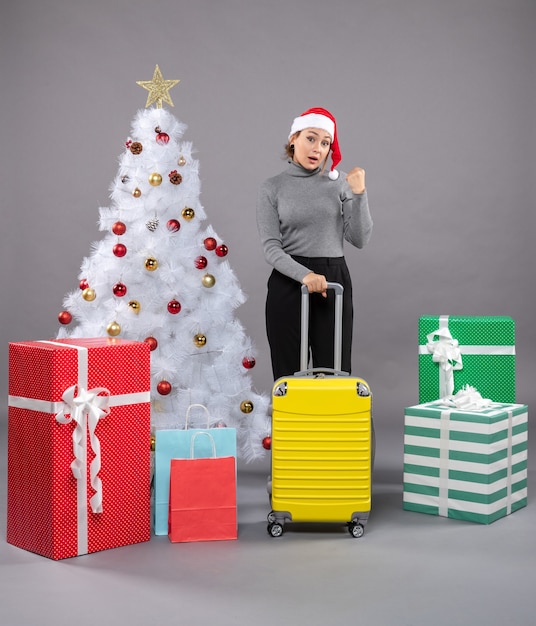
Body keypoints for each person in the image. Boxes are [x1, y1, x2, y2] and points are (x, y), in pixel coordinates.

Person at [256, 107, 373, 380]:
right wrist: (305, 275)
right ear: (293, 138)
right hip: (289, 280)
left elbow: (360, 239)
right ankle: (294, 423)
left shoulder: (341, 182)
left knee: (335, 372)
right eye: (310, 138)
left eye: (325, 143)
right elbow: (271, 247)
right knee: (288, 373)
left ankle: (331, 424)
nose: (317, 149)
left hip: (333, 279)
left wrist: (359, 193)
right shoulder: (271, 188)